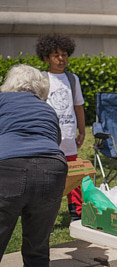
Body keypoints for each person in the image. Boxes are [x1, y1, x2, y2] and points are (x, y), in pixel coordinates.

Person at [0, 64, 68, 266]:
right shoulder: (47, 108)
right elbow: (55, 140)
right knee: (37, 247)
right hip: (52, 168)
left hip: (9, 167)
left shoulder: (2, 100)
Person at [36, 33, 86, 222]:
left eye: (64, 54)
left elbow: (78, 106)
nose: (61, 58)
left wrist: (82, 131)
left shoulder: (72, 79)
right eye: (56, 55)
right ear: (46, 58)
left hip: (68, 137)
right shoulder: (42, 79)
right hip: (48, 139)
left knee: (73, 174)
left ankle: (76, 211)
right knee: (49, 175)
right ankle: (46, 210)